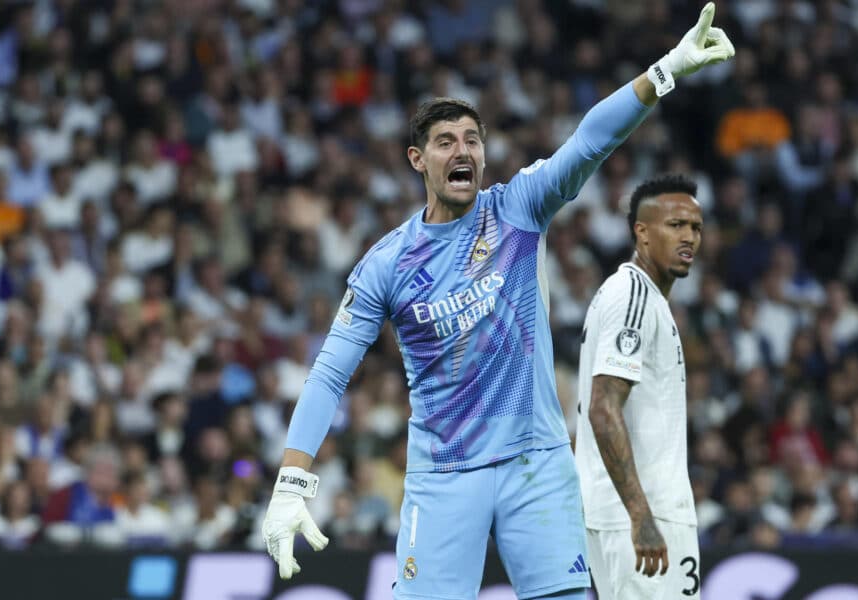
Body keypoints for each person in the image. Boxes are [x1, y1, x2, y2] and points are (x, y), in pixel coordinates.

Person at [261, 5, 734, 599]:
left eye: (472, 139)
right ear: (418, 160)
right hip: (442, 475)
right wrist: (291, 481)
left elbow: (588, 142)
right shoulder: (387, 263)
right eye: (444, 142)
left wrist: (664, 72)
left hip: (534, 463)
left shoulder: (518, 209)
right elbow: (330, 372)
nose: (462, 150)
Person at [575, 173, 704, 599]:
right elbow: (603, 407)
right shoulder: (632, 295)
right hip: (644, 519)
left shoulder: (646, 299)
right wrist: (640, 514)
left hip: (644, 514)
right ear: (642, 233)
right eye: (676, 225)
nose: (689, 237)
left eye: (695, 227)